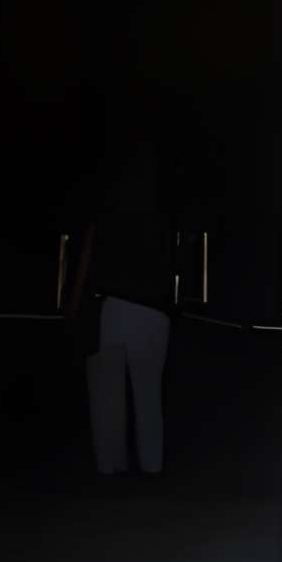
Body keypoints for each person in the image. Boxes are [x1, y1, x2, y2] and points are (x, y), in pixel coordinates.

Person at [67, 105, 174, 479]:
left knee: (107, 396)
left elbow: (86, 261)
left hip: (113, 305)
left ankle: (110, 471)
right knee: (148, 398)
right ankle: (152, 471)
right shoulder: (162, 212)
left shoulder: (106, 207)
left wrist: (74, 308)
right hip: (154, 310)